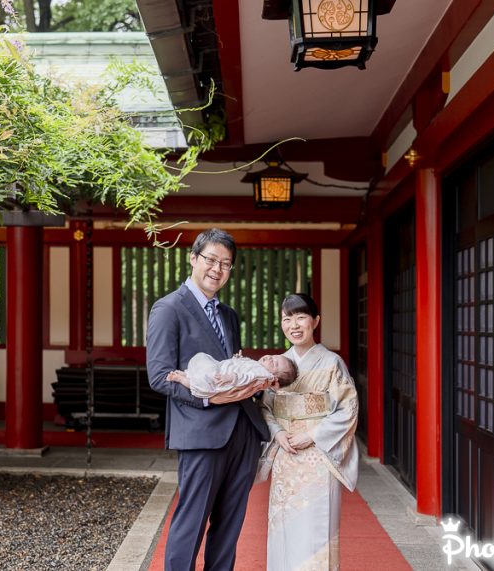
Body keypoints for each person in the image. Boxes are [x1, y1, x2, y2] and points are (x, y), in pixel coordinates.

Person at [146, 228, 271, 571]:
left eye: (226, 264)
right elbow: (159, 376)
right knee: (191, 523)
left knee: (229, 528)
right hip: (201, 432)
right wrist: (207, 400)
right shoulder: (168, 308)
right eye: (211, 260)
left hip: (242, 432)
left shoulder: (228, 315)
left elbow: (228, 367)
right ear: (193, 258)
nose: (217, 269)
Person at [261, 293, 359, 571]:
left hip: (318, 454)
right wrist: (278, 432)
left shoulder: (331, 363)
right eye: (286, 318)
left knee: (317, 525)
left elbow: (348, 409)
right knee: (284, 524)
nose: (294, 324)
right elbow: (265, 408)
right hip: (286, 452)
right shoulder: (276, 364)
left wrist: (313, 435)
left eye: (301, 317)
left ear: (315, 321)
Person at [166, 352, 298, 398]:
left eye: (274, 363)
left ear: (273, 377)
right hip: (221, 371)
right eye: (273, 357)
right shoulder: (257, 366)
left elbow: (247, 378)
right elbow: (245, 369)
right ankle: (188, 375)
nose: (270, 358)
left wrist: (232, 377)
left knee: (205, 381)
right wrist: (238, 360)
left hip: (223, 381)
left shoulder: (262, 374)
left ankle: (182, 379)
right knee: (203, 360)